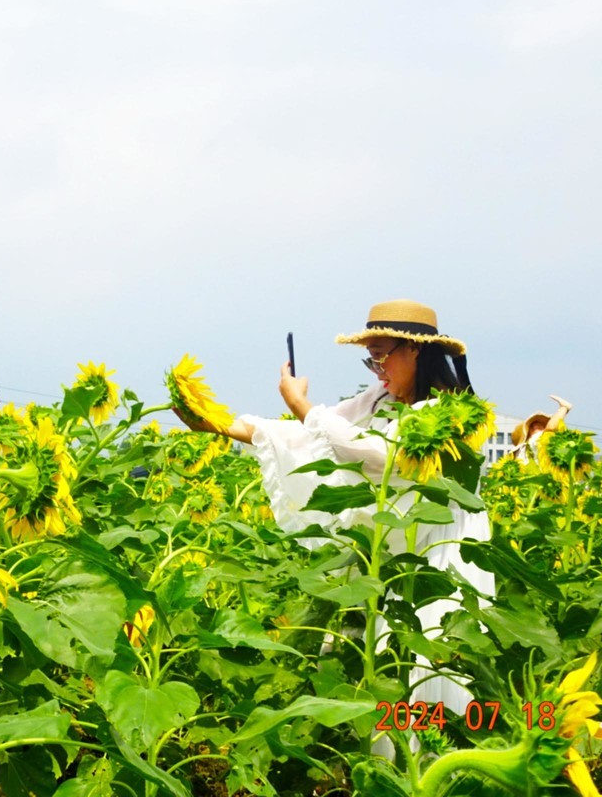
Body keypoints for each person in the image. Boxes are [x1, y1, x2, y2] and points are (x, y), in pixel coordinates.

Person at [178, 299, 494, 715]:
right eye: (371, 361)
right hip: (392, 559)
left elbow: (379, 455)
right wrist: (218, 423)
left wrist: (301, 406)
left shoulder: (449, 415)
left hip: (438, 559)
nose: (378, 371)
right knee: (380, 665)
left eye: (382, 357)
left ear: (414, 349)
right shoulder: (379, 400)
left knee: (430, 665)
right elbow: (312, 434)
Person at [511, 395, 572, 462]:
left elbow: (565, 452)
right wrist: (563, 408)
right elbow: (551, 428)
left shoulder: (548, 446)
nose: (536, 427)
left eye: (540, 426)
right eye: (532, 427)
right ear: (527, 435)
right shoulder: (530, 443)